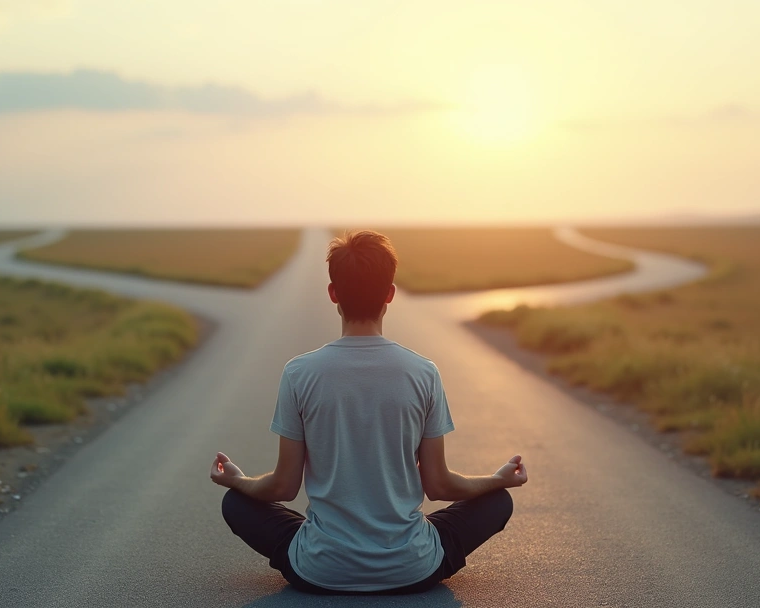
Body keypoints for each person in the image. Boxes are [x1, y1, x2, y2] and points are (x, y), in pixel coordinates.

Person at [209, 229, 528, 595]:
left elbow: (283, 486)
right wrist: (498, 480)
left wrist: (237, 480)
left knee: (236, 503)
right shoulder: (423, 372)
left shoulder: (299, 373)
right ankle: (401, 555)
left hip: (319, 571)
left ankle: (326, 550)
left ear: (333, 294)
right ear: (390, 293)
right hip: (413, 569)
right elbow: (439, 485)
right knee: (497, 501)